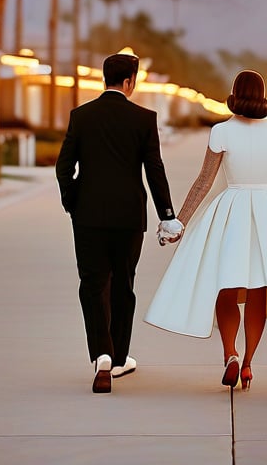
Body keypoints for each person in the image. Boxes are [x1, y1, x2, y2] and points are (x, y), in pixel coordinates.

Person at [144, 70, 267, 391]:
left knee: (225, 284)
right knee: (256, 291)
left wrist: (179, 220)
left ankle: (230, 354)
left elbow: (203, 182)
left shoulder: (221, 131)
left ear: (235, 92)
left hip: (230, 210)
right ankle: (249, 363)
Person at [55, 53, 183, 394]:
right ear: (130, 82)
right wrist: (167, 214)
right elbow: (154, 170)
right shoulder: (144, 118)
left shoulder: (81, 116)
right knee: (124, 284)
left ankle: (102, 356)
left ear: (105, 79)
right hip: (129, 217)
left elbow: (63, 167)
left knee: (93, 284)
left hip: (89, 217)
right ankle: (121, 356)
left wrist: (73, 203)